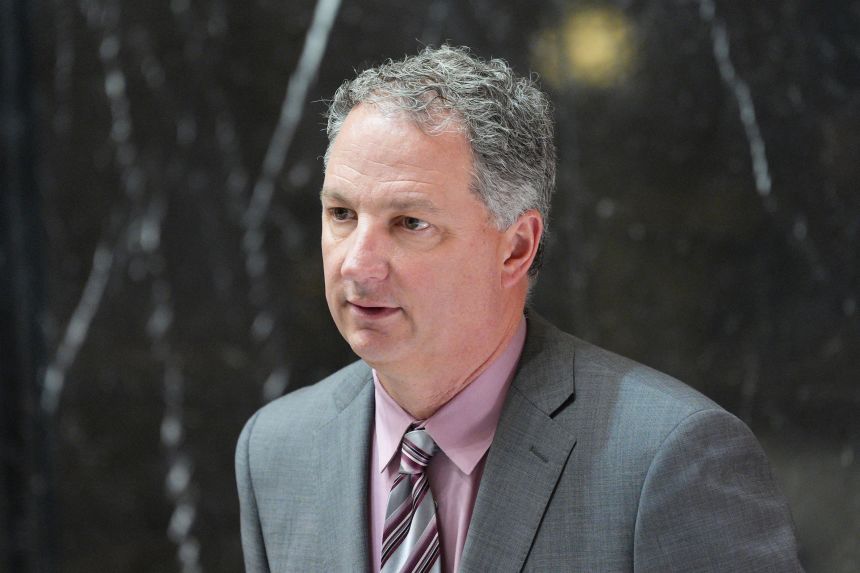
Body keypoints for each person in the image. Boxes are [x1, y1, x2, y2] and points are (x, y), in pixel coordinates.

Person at [236, 45, 802, 572]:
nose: (358, 265)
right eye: (341, 214)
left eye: (410, 224)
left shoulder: (672, 458)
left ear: (516, 248)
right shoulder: (277, 450)